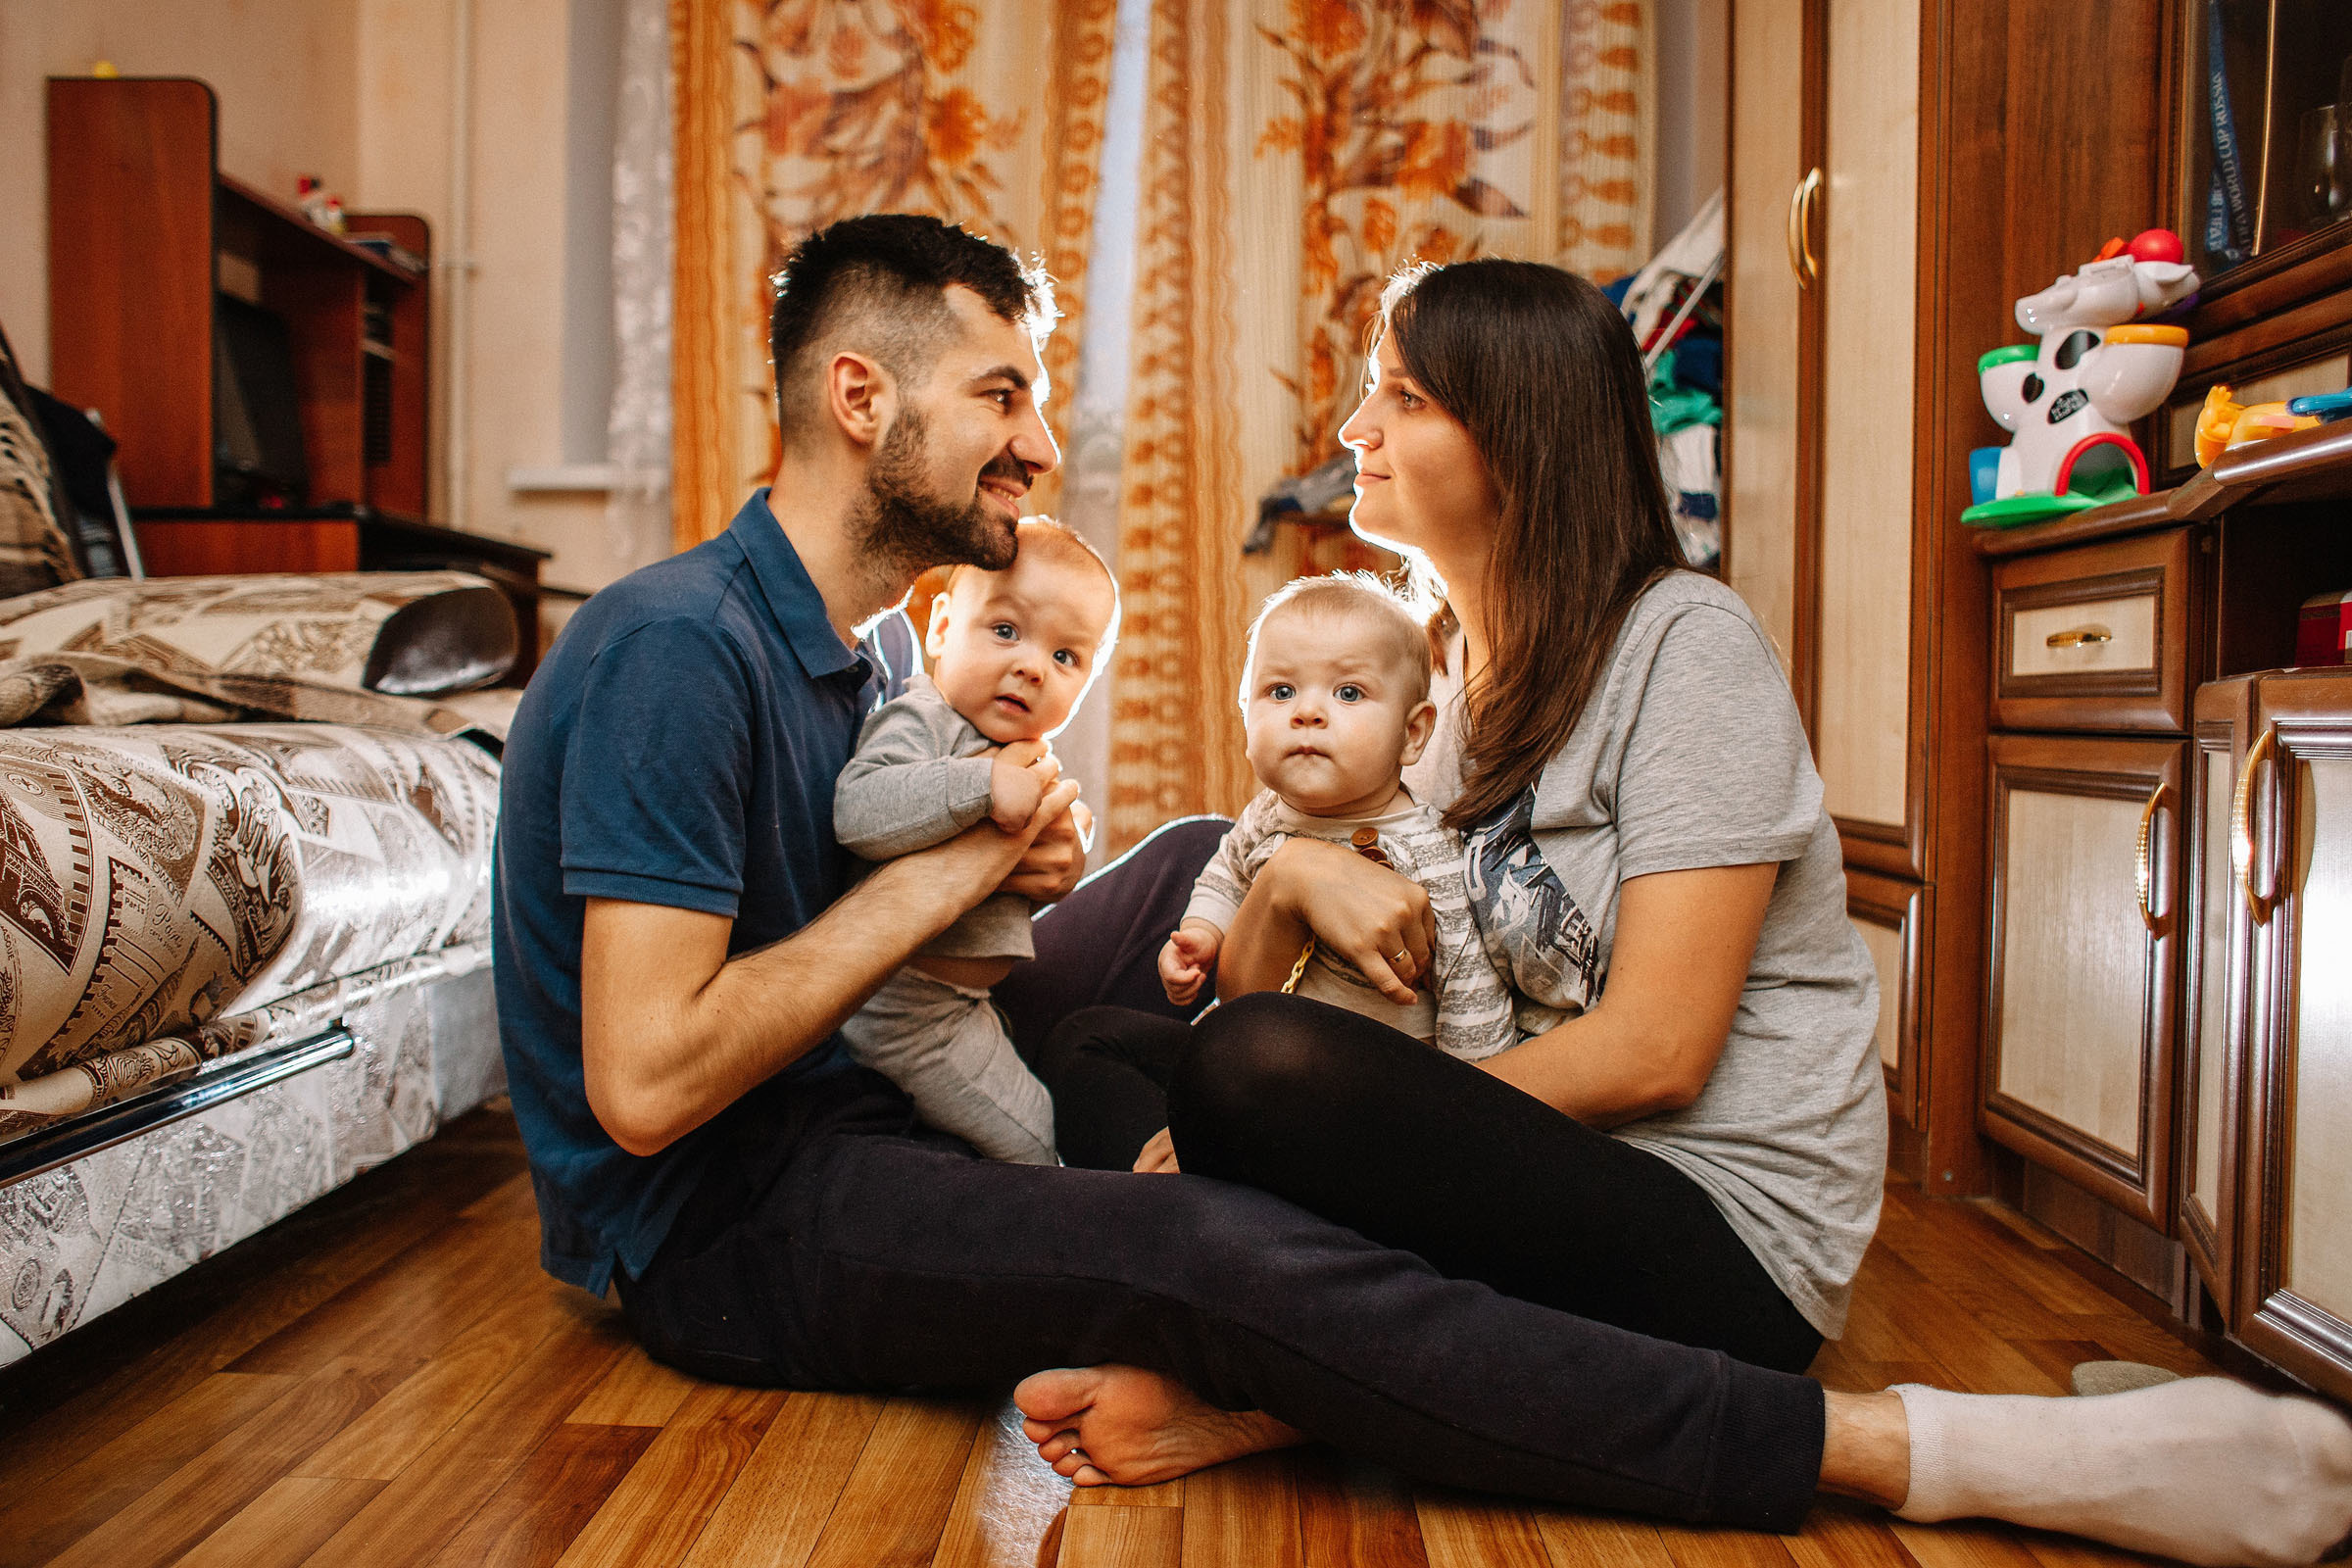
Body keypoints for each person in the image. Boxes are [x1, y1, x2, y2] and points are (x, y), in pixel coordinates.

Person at [491, 214, 2352, 1568]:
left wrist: (1229, 953)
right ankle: (1292, 1342)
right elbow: (659, 1085)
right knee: (1182, 1068)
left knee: (1215, 1073)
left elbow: (1639, 1044)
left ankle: (1297, 1345)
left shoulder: (1663, 650)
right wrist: (1054, 875)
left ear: (1513, 431)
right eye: (1007, 398)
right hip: (736, 1196)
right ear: (857, 395)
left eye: (1395, 395)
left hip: (1682, 1198)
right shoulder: (699, 651)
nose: (1046, 448)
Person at [1051, 572, 1514, 1173]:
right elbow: (1226, 871)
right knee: (1084, 1037)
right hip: (1246, 1057)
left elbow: (1470, 989)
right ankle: (1197, 1158)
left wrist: (1459, 1122)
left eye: (1348, 694)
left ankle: (1208, 1166)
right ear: (1244, 714)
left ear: (1413, 732)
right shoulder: (1269, 815)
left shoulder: (1429, 855)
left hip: (1361, 1093)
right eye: (1280, 691)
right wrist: (1201, 934)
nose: (1309, 713)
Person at [833, 516, 1119, 1164]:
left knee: (1038, 1107)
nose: (1031, 667)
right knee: (1033, 1137)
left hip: (965, 1004)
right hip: (909, 1017)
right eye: (1006, 631)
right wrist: (984, 785)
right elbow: (858, 808)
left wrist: (1065, 843)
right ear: (941, 630)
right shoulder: (922, 716)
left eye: (1064, 656)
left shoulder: (1009, 745)